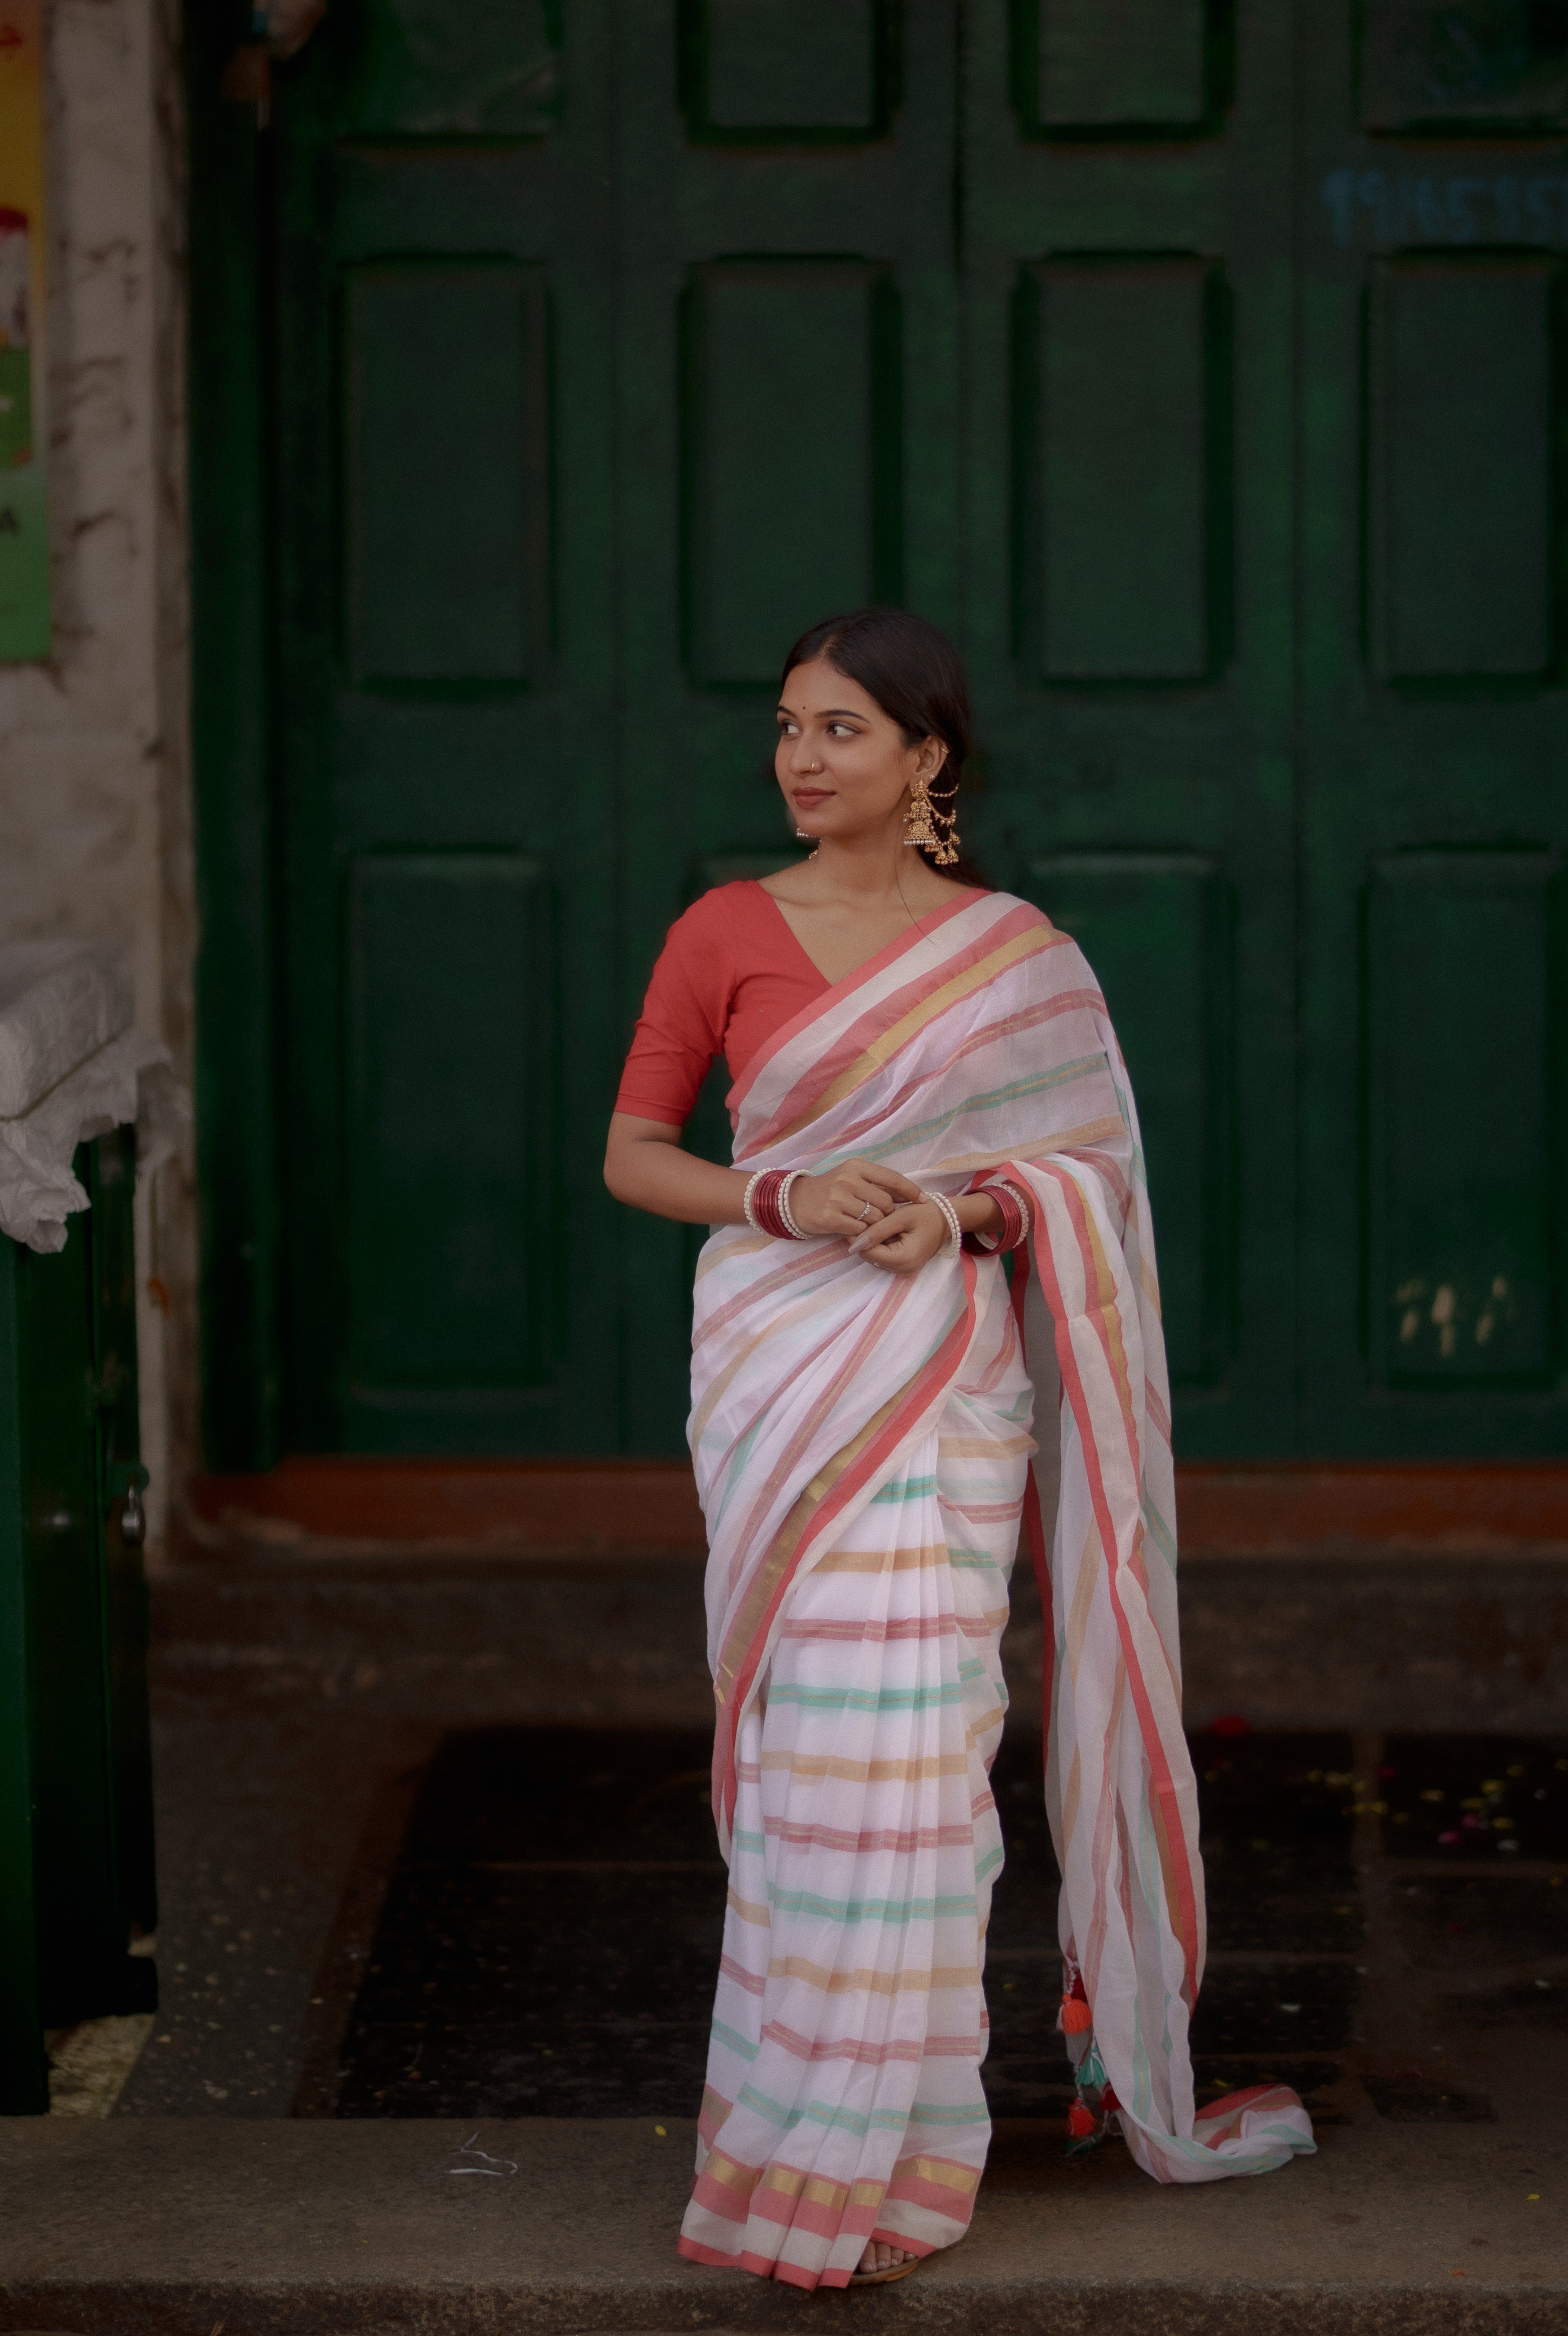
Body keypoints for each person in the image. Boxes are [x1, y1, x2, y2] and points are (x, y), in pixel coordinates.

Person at [604, 608, 1313, 2291]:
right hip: (787, 1371)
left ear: (926, 755)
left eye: (840, 729)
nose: (799, 757)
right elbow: (635, 1155)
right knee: (814, 1771)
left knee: (924, 1758)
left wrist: (973, 1210)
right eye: (788, 726)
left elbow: (1084, 1175)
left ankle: (903, 2162)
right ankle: (790, 2148)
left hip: (942, 1383)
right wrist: (785, 1195)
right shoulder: (722, 930)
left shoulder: (1015, 957)